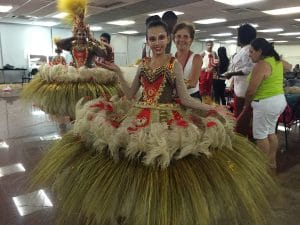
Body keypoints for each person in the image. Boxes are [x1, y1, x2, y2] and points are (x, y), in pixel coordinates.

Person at [30, 20, 277, 225]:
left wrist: (212, 108)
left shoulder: (174, 64)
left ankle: (156, 212)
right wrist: (116, 71)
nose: (156, 43)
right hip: (137, 115)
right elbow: (129, 94)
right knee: (130, 161)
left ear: (167, 39)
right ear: (147, 41)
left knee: (161, 166)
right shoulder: (144, 64)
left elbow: (184, 99)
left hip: (166, 119)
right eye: (152, 39)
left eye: (160, 38)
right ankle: (134, 208)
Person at [21, 0, 121, 133]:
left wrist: (91, 38)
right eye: (79, 34)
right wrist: (73, 37)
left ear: (86, 34)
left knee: (87, 105)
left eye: (83, 34)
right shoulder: (72, 45)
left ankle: (84, 126)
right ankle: (75, 126)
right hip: (73, 75)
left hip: (87, 77)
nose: (81, 36)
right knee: (73, 106)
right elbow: (59, 44)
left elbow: (103, 52)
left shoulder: (90, 47)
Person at [242, 38, 291, 171]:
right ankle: (271, 162)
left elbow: (251, 91)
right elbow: (289, 66)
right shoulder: (276, 61)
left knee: (260, 136)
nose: (249, 54)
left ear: (260, 51)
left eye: (251, 51)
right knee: (270, 132)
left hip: (266, 103)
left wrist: (246, 105)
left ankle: (261, 167)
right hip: (278, 101)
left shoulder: (261, 64)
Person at [224, 23, 256, 136]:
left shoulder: (249, 50)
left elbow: (250, 69)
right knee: (239, 116)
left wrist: (232, 73)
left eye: (238, 35)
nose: (237, 38)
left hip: (244, 91)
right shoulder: (243, 50)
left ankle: (242, 140)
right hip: (239, 89)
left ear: (243, 36)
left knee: (242, 120)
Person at [173, 22, 202, 99]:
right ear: (174, 39)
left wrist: (172, 90)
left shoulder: (196, 57)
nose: (182, 39)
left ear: (191, 40)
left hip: (192, 98)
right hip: (174, 98)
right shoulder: (171, 58)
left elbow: (193, 83)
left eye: (185, 37)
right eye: (178, 36)